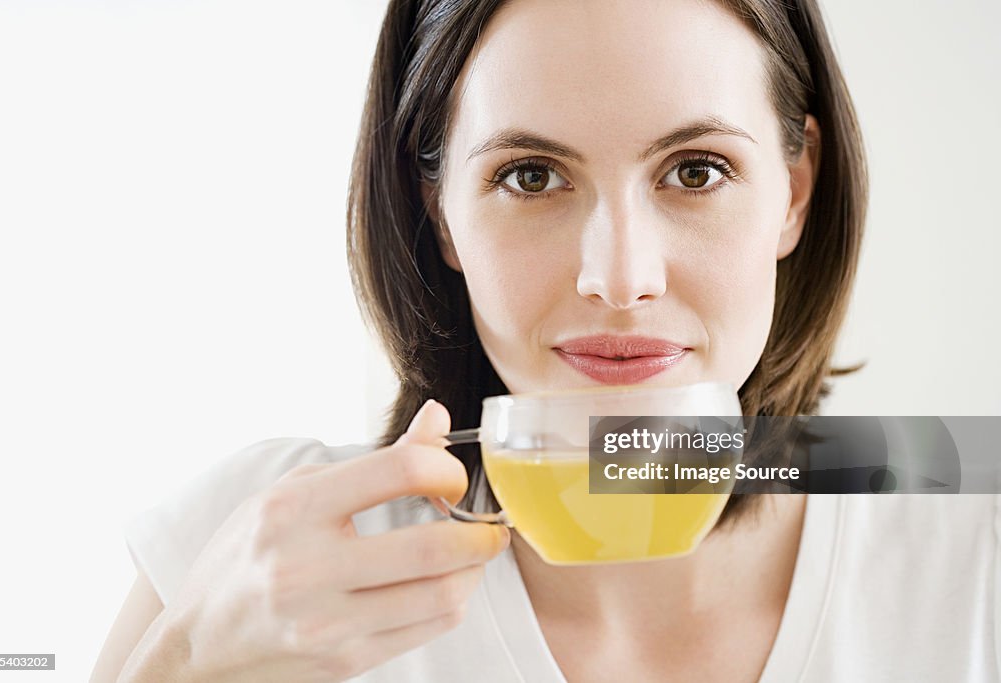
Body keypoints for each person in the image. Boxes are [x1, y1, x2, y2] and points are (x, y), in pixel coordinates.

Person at [92, 0, 997, 681]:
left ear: (795, 189)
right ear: (437, 213)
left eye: (696, 170)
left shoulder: (976, 542)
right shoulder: (261, 552)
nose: (618, 275)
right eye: (532, 175)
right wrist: (179, 660)